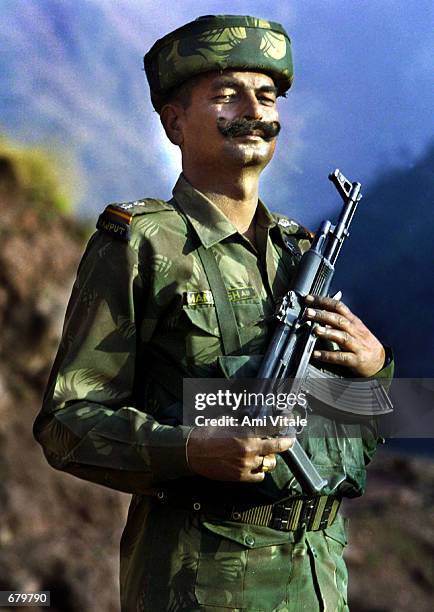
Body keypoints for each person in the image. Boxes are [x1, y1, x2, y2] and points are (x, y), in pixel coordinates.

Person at [33, 15, 393, 611]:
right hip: (201, 582)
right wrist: (191, 449)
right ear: (175, 122)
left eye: (267, 95)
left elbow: (342, 429)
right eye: (226, 96)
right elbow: (66, 424)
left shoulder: (300, 253)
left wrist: (374, 372)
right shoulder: (140, 244)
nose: (252, 109)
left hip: (320, 578)